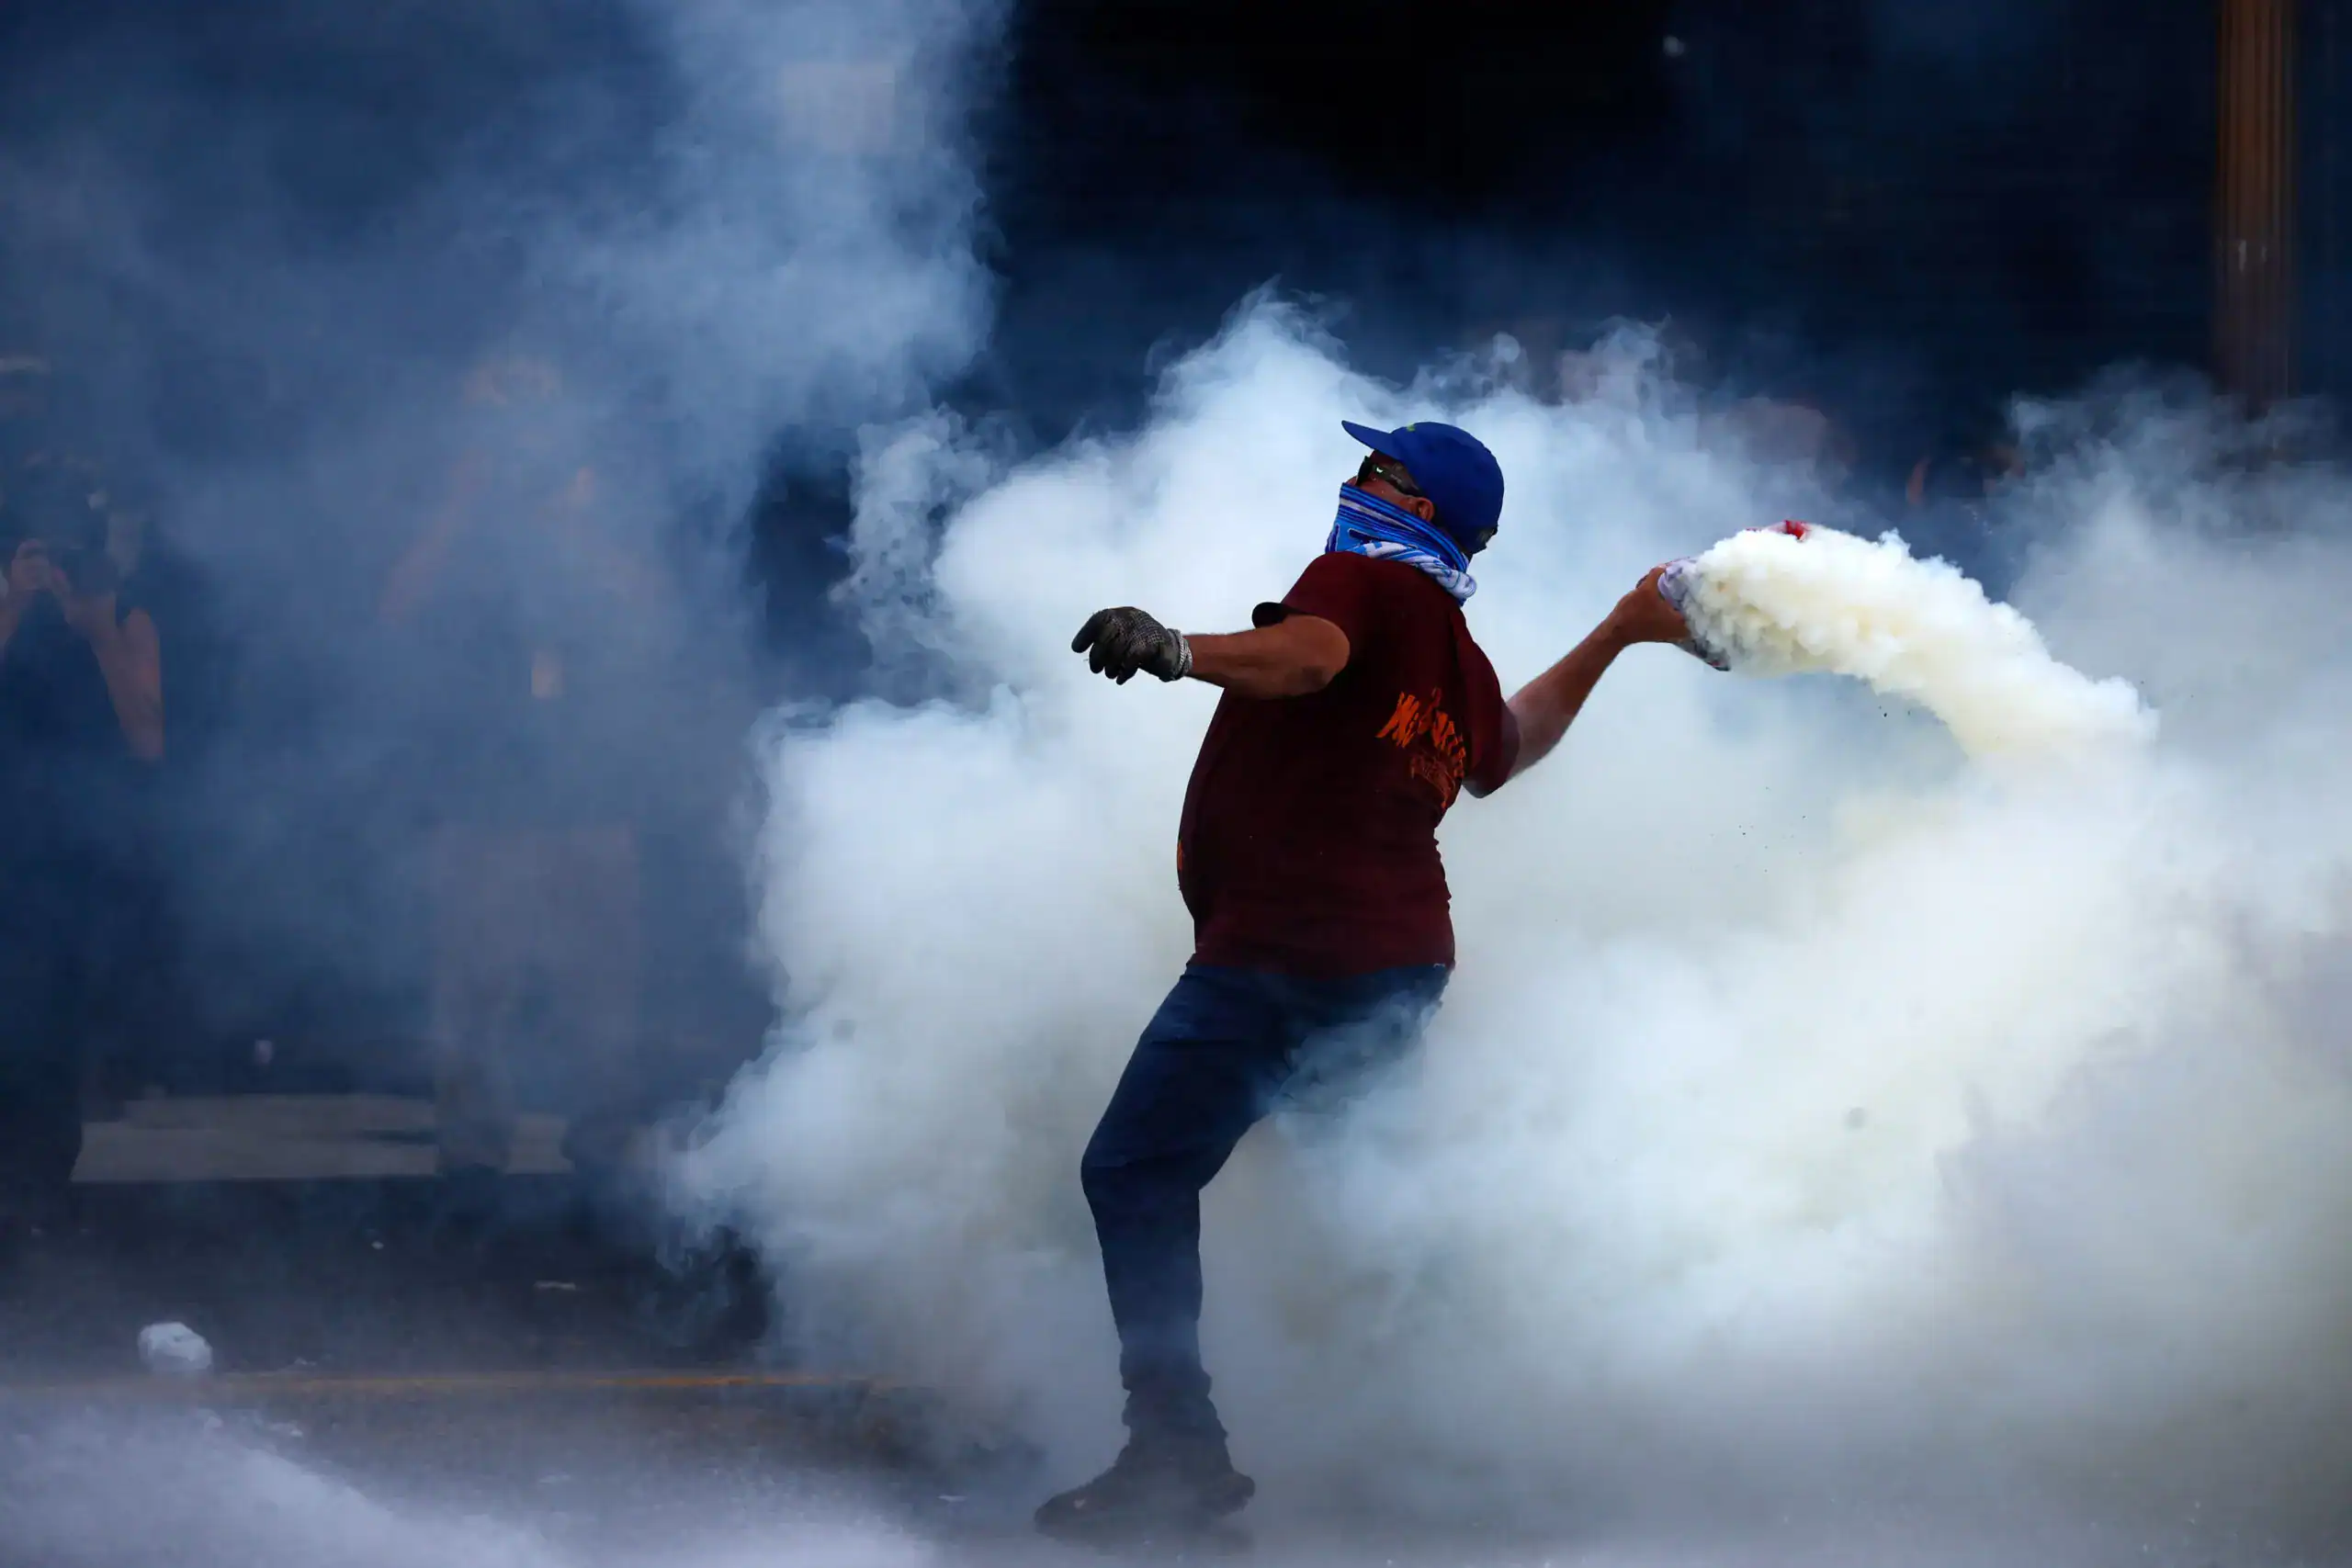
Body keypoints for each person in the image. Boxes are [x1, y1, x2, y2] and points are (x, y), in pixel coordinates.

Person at [1035, 420, 1692, 1538]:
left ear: (1418, 508)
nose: (1354, 482)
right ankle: (1480, 1448)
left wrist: (1176, 648)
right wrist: (1621, 631)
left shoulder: (1364, 582)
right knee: (1381, 1207)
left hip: (1281, 958)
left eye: (1377, 471)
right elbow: (1507, 745)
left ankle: (1175, 1456)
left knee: (1135, 1173)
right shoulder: (1450, 646)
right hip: (1388, 968)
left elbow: (1308, 659)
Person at [0, 448, 166, 1247]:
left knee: (51, 1030)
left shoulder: (123, 614)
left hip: (72, 853)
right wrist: (13, 606)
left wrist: (96, 630)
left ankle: (37, 1192)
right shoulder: (6, 602)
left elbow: (148, 739)